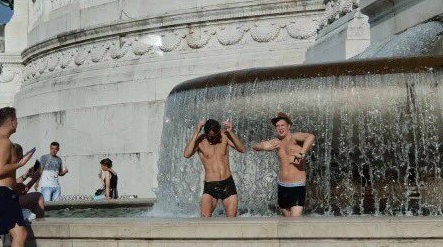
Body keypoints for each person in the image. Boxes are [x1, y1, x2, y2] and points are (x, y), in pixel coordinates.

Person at [252, 112, 315, 217]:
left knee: (295, 219)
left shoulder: (294, 137)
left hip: (297, 185)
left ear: (289, 126)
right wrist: (264, 147)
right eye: (277, 126)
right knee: (287, 219)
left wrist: (302, 153)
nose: (280, 128)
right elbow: (254, 146)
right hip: (282, 185)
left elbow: (311, 137)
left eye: (282, 125)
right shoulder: (276, 142)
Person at [184, 119, 246, 217]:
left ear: (218, 131)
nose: (213, 139)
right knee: (205, 217)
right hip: (210, 185)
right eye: (210, 136)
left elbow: (242, 149)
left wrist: (231, 132)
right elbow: (187, 154)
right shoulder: (200, 141)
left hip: (227, 184)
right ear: (206, 132)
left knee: (232, 220)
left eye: (215, 136)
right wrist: (197, 131)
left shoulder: (224, 136)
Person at [0, 107, 34, 246]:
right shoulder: (4, 141)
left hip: (6, 191)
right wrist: (20, 164)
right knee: (20, 233)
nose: (18, 123)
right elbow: (0, 169)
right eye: (17, 120)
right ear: (12, 121)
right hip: (3, 193)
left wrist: (15, 185)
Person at [13, 143, 45, 218]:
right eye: (20, 156)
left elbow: (11, 182)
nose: (20, 159)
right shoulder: (7, 166)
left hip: (8, 198)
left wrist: (25, 176)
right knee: (39, 196)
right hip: (7, 201)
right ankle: (40, 224)